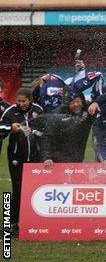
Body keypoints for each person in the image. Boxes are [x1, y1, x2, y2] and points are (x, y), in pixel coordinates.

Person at [0, 88, 44, 234]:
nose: (21, 104)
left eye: (24, 101)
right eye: (18, 101)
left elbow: (45, 129)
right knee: (17, 189)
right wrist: (10, 127)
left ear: (30, 100)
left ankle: (31, 221)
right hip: (16, 158)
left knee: (34, 190)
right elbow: (1, 128)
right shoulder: (10, 112)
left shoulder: (38, 110)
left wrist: (35, 131)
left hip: (36, 157)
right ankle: (10, 223)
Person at [41, 91, 94, 167]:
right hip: (55, 160)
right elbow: (47, 137)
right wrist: (46, 157)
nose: (76, 104)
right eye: (72, 102)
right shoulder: (57, 115)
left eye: (78, 101)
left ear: (82, 101)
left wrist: (96, 103)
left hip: (77, 159)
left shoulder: (88, 110)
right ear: (68, 103)